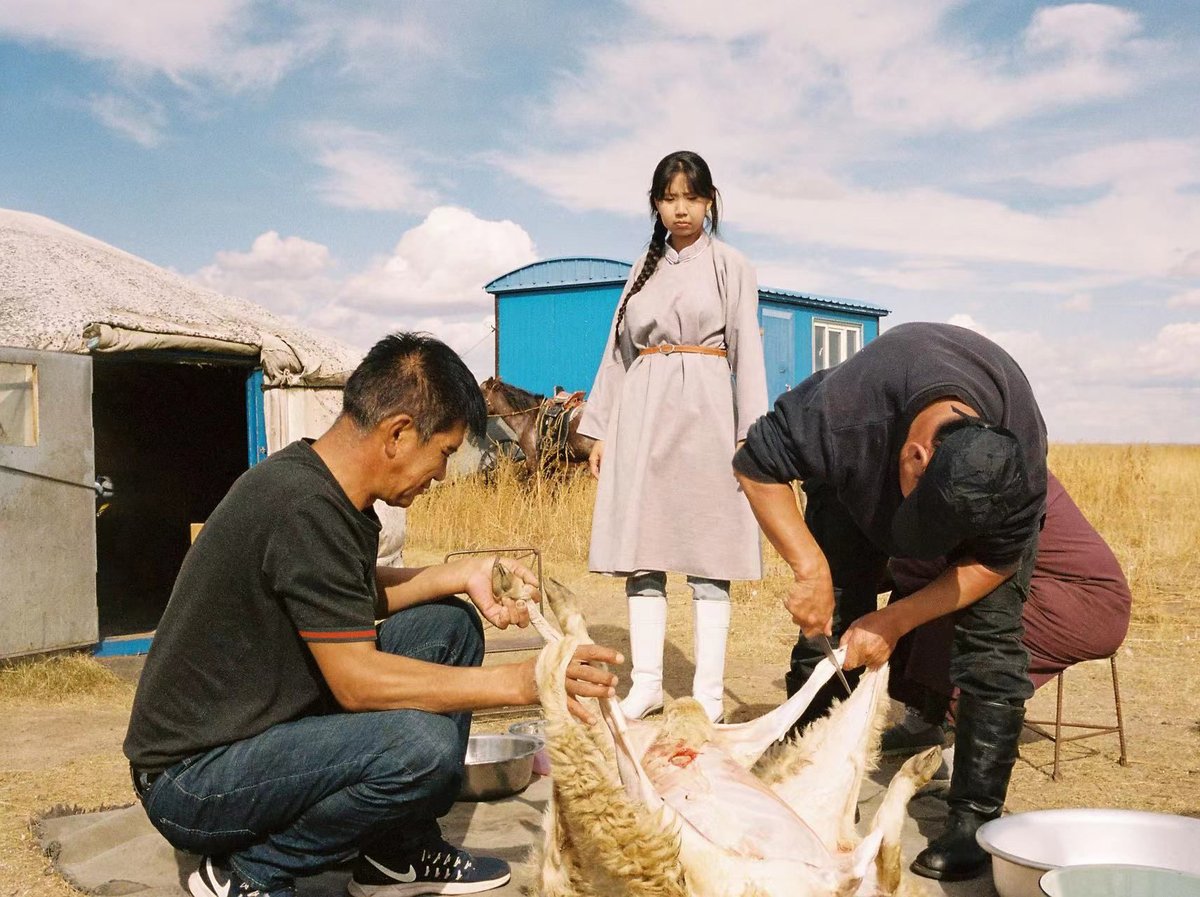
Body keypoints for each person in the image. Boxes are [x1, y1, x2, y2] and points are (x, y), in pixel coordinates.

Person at [123, 333, 621, 897]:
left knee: (447, 626)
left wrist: (457, 575)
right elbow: (358, 684)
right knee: (421, 748)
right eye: (445, 453)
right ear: (400, 433)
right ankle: (249, 870)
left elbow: (341, 596)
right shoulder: (304, 508)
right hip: (195, 780)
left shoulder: (322, 483)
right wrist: (525, 681)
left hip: (260, 733)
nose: (440, 474)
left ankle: (395, 853)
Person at [732, 321, 1047, 882]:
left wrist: (898, 618)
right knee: (829, 632)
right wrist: (811, 567)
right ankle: (816, 789)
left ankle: (975, 819)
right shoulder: (846, 412)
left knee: (993, 648)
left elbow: (994, 563)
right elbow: (756, 465)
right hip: (850, 493)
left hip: (970, 510)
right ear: (917, 455)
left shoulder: (1018, 457)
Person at [578, 150, 768, 724]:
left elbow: (748, 351)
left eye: (691, 197)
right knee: (644, 550)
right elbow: (617, 354)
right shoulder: (643, 267)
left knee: (710, 549)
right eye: (668, 198)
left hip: (707, 411)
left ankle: (707, 696)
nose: (680, 210)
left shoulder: (732, 265)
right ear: (655, 204)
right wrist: (601, 430)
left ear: (710, 200)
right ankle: (648, 685)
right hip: (641, 413)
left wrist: (749, 434)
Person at [881, 471, 1133, 755]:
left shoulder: (1005, 481)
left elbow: (949, 562)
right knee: (918, 596)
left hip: (1087, 606)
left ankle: (965, 756)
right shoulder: (982, 472)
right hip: (1044, 592)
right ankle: (923, 722)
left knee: (970, 612)